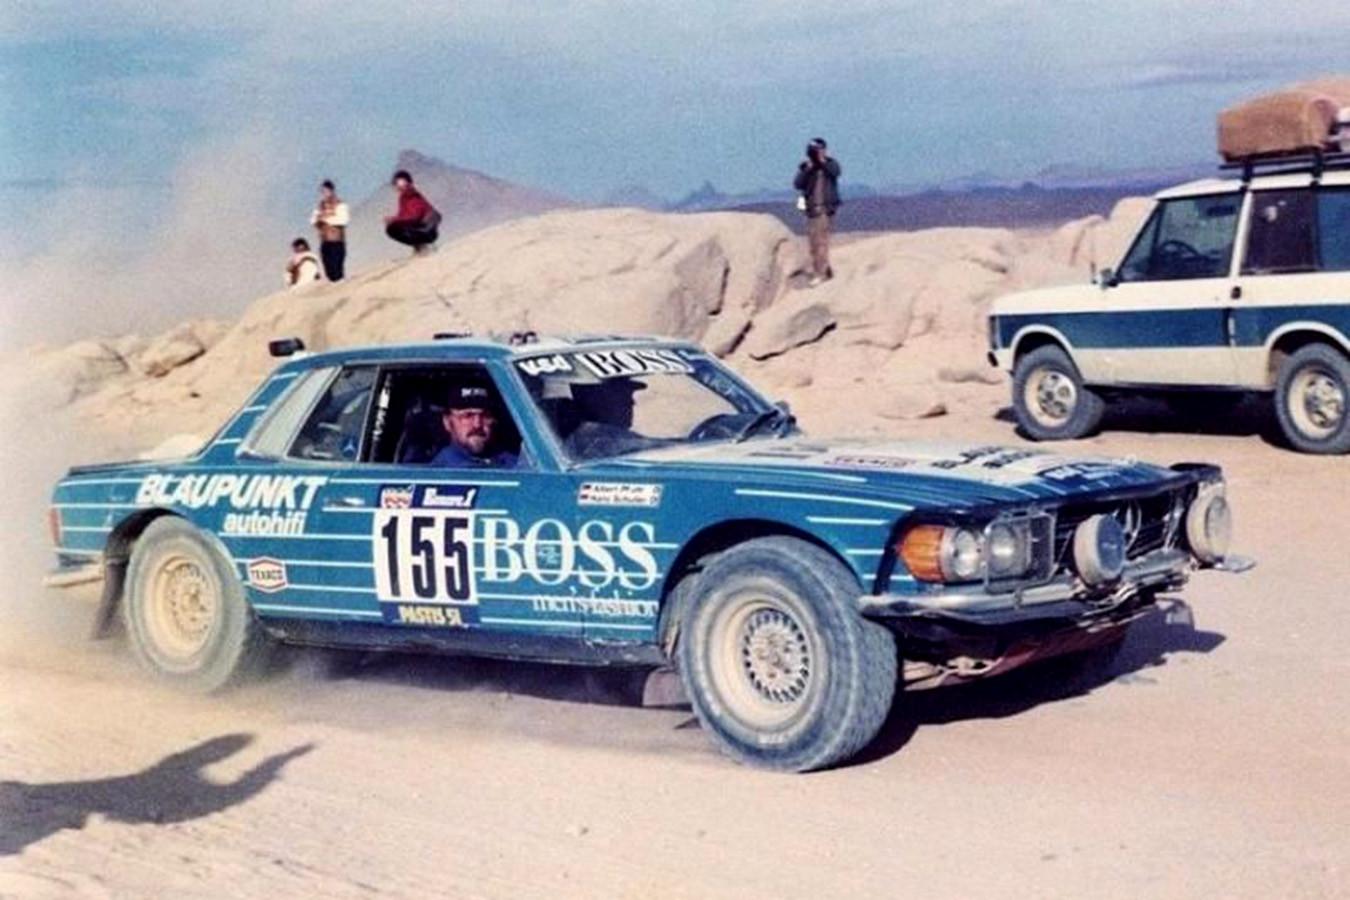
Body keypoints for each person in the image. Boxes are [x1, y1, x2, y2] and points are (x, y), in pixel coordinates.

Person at [430, 383, 518, 467]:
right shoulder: (440, 472)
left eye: (485, 415)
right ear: (447, 422)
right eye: (467, 416)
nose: (477, 424)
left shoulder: (514, 465)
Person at [793, 137, 842, 287]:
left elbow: (836, 172)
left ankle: (821, 274)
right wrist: (808, 169)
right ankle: (823, 270)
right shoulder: (808, 167)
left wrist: (822, 162)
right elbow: (798, 184)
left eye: (819, 150)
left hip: (825, 210)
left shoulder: (830, 164)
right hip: (812, 211)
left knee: (821, 243)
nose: (816, 153)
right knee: (813, 244)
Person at [384, 169, 441, 255]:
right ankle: (419, 247)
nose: (400, 186)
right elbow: (402, 215)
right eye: (397, 184)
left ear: (409, 183)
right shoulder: (403, 198)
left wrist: (395, 220)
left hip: (427, 230)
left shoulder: (414, 197)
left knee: (395, 227)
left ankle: (423, 248)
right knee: (392, 228)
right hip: (419, 228)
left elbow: (415, 217)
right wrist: (394, 220)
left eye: (402, 183)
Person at [309, 179, 350, 281]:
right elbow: (312, 220)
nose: (324, 194)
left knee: (337, 270)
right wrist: (318, 220)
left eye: (326, 191)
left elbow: (343, 220)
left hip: (337, 242)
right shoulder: (320, 207)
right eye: (322, 192)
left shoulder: (340, 205)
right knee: (329, 271)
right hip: (325, 242)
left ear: (331, 190)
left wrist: (326, 220)